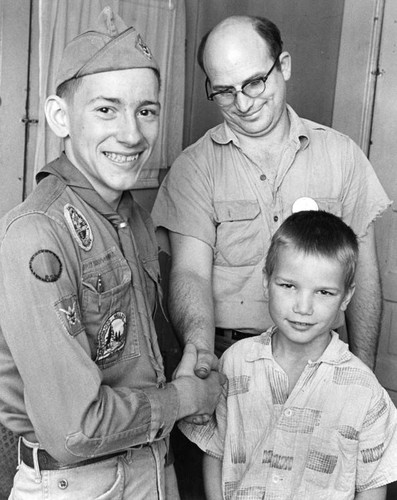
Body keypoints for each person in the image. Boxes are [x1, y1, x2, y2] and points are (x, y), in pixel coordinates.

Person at [0, 7, 224, 500]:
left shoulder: (130, 217)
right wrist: (185, 398)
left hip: (149, 466)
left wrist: (190, 362)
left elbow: (139, 350)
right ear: (60, 116)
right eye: (106, 109)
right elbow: (77, 429)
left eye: (146, 110)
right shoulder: (36, 234)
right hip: (81, 483)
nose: (132, 134)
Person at [152, 15, 391, 373]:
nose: (243, 104)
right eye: (224, 91)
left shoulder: (342, 157)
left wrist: (363, 374)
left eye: (253, 83)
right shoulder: (194, 168)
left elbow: (365, 276)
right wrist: (201, 359)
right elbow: (191, 275)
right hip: (227, 359)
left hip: (322, 362)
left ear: (283, 66)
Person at [179, 210, 397, 500]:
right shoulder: (234, 363)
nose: (303, 307)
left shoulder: (365, 391)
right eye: (288, 286)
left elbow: (371, 486)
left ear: (346, 296)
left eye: (324, 292)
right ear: (266, 282)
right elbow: (215, 452)